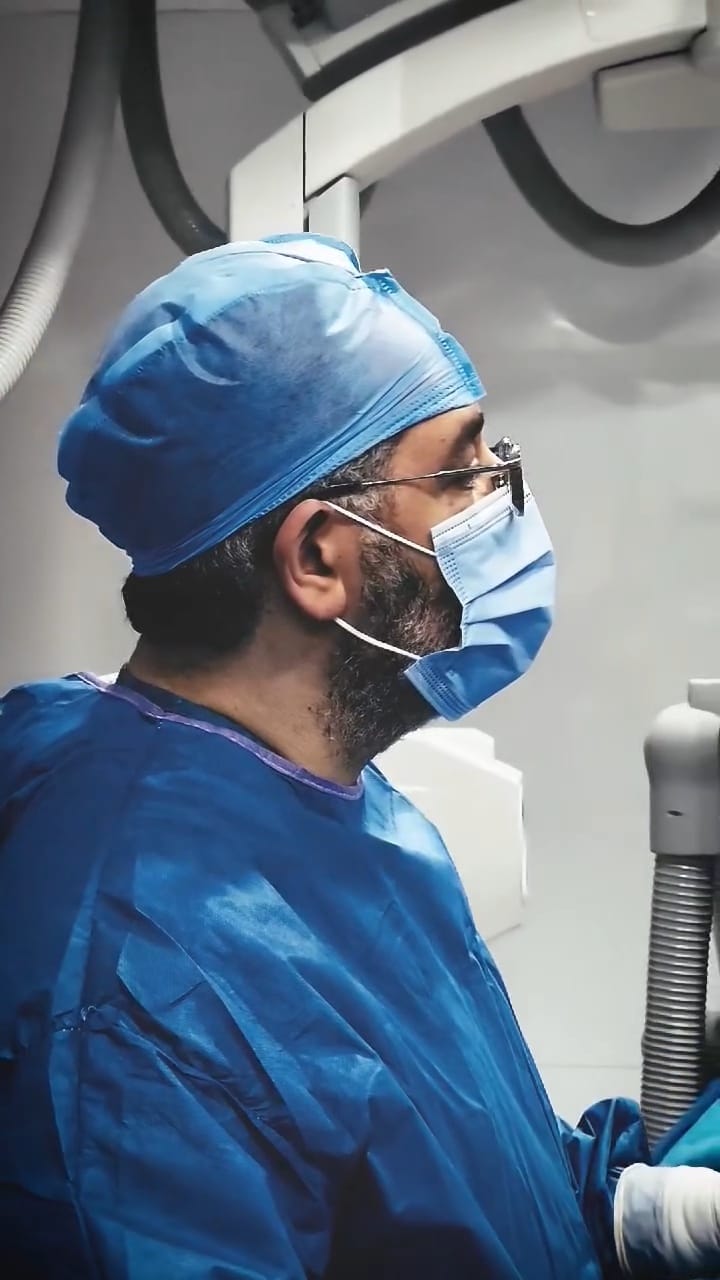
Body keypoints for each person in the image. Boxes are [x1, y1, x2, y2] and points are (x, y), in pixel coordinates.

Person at [1, 234, 719, 1280]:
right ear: (317, 557)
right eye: (464, 471)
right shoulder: (138, 1010)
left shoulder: (330, 797)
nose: (506, 498)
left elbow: (449, 1172)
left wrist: (635, 1214)